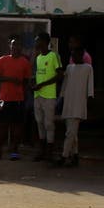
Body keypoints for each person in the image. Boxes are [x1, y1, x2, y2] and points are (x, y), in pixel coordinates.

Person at [0, 37, 32, 161]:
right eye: (13, 45)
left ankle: (15, 151)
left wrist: (24, 94)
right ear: (10, 46)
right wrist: (10, 79)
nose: (15, 48)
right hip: (3, 98)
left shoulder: (25, 62)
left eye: (18, 45)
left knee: (16, 126)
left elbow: (26, 81)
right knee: (0, 125)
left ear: (21, 47)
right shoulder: (2, 60)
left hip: (18, 99)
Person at [57, 47, 94, 167]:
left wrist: (89, 101)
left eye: (76, 55)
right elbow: (64, 85)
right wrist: (61, 99)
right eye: (72, 55)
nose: (74, 57)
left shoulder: (88, 68)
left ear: (82, 55)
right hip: (68, 103)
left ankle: (64, 156)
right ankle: (75, 155)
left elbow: (90, 88)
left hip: (78, 104)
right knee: (72, 132)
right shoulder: (69, 68)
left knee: (70, 133)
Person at [32, 32, 64, 161]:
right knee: (39, 122)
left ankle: (50, 150)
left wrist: (43, 84)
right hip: (37, 94)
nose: (36, 43)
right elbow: (39, 74)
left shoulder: (53, 56)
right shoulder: (38, 57)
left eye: (37, 40)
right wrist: (33, 82)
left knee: (49, 123)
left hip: (49, 95)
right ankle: (42, 150)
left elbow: (60, 75)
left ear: (44, 41)